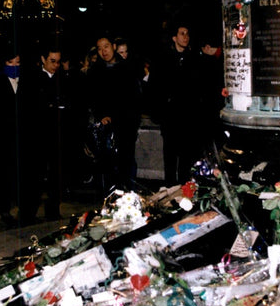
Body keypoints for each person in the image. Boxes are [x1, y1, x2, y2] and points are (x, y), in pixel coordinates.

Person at [149, 24, 206, 186]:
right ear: (174, 38)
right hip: (170, 116)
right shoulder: (163, 59)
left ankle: (184, 190)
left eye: (187, 33)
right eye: (182, 34)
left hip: (189, 116)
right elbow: (154, 87)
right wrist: (158, 112)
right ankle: (170, 189)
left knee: (186, 157)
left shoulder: (194, 57)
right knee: (170, 156)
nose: (185, 37)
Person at [86, 36, 142, 191]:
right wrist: (101, 116)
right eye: (99, 48)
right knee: (108, 166)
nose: (103, 51)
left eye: (106, 46)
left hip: (126, 124)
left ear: (114, 46)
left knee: (126, 163)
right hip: (106, 127)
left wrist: (126, 119)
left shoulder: (127, 68)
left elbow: (134, 98)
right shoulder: (95, 71)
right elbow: (93, 99)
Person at [22, 47, 68, 221]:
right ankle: (28, 212)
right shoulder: (31, 79)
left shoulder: (62, 78)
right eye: (52, 61)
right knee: (34, 176)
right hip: (37, 137)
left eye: (58, 61)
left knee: (56, 177)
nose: (55, 65)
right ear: (43, 59)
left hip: (56, 136)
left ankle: (53, 210)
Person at [0, 49, 26, 224]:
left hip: (22, 136)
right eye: (11, 63)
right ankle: (5, 209)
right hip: (3, 138)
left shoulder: (25, 81)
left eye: (17, 63)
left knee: (22, 174)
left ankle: (24, 208)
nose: (14, 67)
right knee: (5, 176)